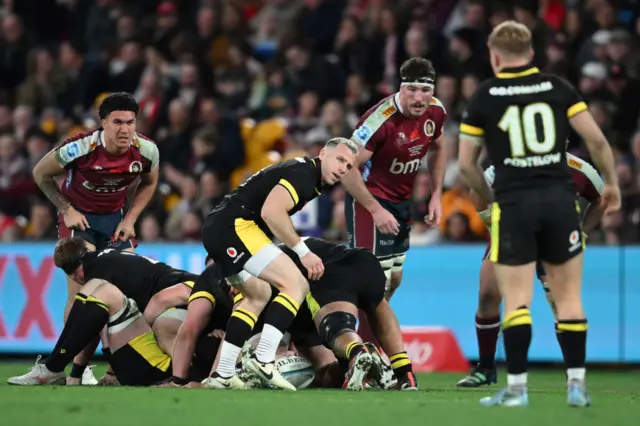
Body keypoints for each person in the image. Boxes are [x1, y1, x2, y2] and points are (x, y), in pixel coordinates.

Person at [458, 20, 620, 407]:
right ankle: (577, 385)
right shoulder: (559, 89)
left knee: (517, 299)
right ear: (531, 55)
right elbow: (596, 140)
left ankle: (516, 389)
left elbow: (466, 167)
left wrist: (489, 200)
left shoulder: (487, 94)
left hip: (515, 204)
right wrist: (612, 182)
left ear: (494, 57)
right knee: (568, 298)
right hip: (560, 203)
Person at [202, 137, 357, 390]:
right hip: (236, 226)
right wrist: (303, 252)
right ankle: (264, 359)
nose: (343, 169)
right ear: (323, 154)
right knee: (296, 284)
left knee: (257, 294)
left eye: (349, 166)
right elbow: (271, 212)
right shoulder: (305, 173)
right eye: (340, 159)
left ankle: (223, 373)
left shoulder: (304, 173)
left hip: (223, 227)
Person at [32, 92, 159, 383]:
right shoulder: (79, 147)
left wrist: (130, 218)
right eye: (117, 122)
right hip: (81, 220)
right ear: (102, 123)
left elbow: (150, 182)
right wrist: (67, 210)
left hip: (115, 220)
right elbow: (40, 173)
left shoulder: (147, 150)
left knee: (127, 294)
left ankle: (116, 371)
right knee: (81, 294)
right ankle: (79, 366)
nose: (125, 129)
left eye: (130, 122)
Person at [457, 153, 605, 387]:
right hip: (511, 235)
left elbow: (602, 199)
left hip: (552, 239)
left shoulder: (579, 169)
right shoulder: (511, 160)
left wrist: (582, 233)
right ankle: (485, 368)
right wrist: (490, 221)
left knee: (560, 302)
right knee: (488, 295)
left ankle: (573, 373)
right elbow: (478, 187)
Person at [343, 57, 447, 346]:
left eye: (425, 90)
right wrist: (375, 209)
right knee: (374, 281)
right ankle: (362, 356)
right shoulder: (379, 120)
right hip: (369, 200)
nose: (418, 98)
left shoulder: (436, 112)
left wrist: (436, 194)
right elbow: (347, 169)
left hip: (401, 203)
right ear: (401, 89)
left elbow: (438, 146)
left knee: (395, 279)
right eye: (412, 89)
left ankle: (361, 337)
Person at [232, 238, 418, 391]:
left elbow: (255, 350)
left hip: (323, 271)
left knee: (337, 325)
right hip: (363, 261)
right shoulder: (273, 267)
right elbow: (320, 370)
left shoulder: (250, 280)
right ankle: (404, 373)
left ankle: (357, 351)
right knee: (325, 374)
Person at [7, 278, 175, 387]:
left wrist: (181, 380)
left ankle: (53, 367)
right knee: (95, 285)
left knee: (106, 292)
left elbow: (160, 302)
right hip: (136, 361)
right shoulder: (194, 290)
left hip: (153, 369)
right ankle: (57, 367)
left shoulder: (193, 290)